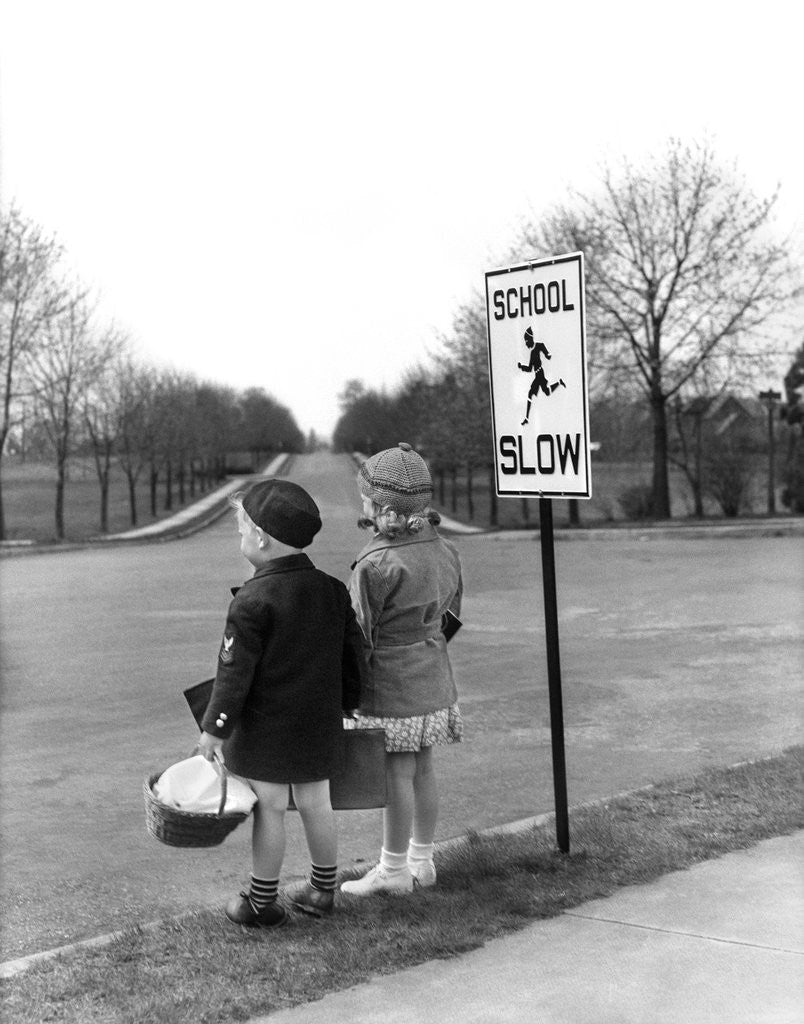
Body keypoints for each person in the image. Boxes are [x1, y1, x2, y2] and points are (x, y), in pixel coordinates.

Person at [198, 478, 365, 927]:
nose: (240, 539)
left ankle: (260, 901)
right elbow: (354, 655)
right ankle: (323, 891)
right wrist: (350, 703)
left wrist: (213, 730)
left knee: (269, 807)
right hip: (319, 724)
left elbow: (234, 674)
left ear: (261, 538)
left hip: (267, 732)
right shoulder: (332, 590)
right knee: (316, 803)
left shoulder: (252, 601)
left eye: (239, 531)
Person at [340, 443, 463, 896]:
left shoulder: (375, 564)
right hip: (432, 674)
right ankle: (422, 861)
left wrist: (347, 694)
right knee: (424, 769)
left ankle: (392, 871)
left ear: (379, 507)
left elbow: (359, 635)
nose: (362, 504)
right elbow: (452, 612)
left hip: (390, 682)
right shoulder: (445, 549)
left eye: (366, 498)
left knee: (395, 773)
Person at [518, 325, 565, 424]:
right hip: (537, 374)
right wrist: (521, 366)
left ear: (530, 339)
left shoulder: (539, 346)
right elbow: (530, 368)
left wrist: (549, 355)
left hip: (541, 373)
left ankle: (526, 418)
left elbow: (547, 353)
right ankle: (559, 382)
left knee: (534, 393)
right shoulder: (532, 353)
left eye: (526, 341)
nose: (526, 344)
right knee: (544, 392)